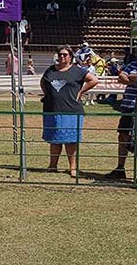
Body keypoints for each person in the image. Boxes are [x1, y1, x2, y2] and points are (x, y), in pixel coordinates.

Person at [41, 45, 98, 177]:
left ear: (70, 57)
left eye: (65, 54)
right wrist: (48, 94)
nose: (62, 57)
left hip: (71, 110)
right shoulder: (50, 70)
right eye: (60, 54)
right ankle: (52, 165)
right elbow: (43, 82)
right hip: (52, 109)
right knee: (54, 139)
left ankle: (73, 167)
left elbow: (93, 80)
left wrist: (81, 92)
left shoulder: (78, 71)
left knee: (70, 140)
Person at [105, 42, 137, 180]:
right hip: (128, 105)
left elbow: (127, 78)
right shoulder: (133, 64)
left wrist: (132, 79)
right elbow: (121, 77)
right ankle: (120, 168)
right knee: (123, 135)